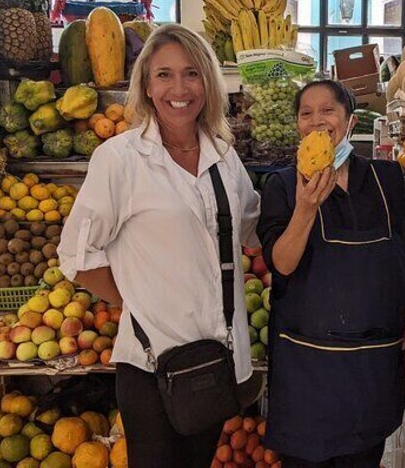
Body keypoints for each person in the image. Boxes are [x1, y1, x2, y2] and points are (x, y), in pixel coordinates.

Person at [57, 24, 261, 467]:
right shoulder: (120, 159)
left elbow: (254, 231)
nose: (179, 88)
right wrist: (141, 301)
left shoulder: (224, 157)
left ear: (207, 82)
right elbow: (76, 257)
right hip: (152, 367)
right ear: (146, 86)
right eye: (164, 75)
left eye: (191, 74)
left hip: (215, 361)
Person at [257, 80, 405, 467]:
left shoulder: (387, 179)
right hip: (308, 367)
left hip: (371, 366)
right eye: (306, 113)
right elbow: (282, 263)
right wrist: (306, 208)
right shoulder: (281, 185)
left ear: (350, 120)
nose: (317, 121)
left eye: (328, 110)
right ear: (297, 124)